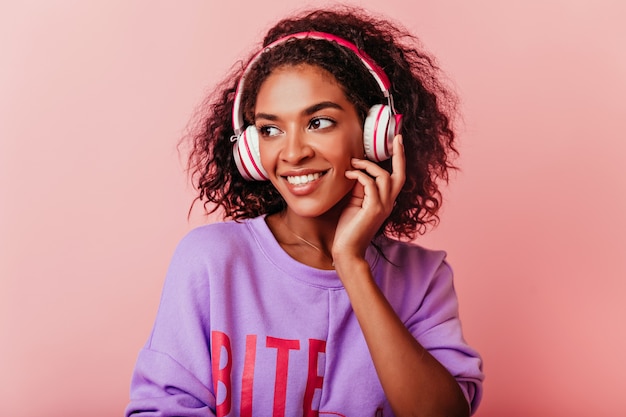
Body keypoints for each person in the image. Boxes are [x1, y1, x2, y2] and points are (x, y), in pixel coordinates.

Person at [125, 6, 483, 417]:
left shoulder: (422, 278)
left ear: (374, 133)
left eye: (319, 122)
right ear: (250, 151)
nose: (293, 153)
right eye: (270, 129)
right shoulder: (211, 260)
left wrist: (350, 264)